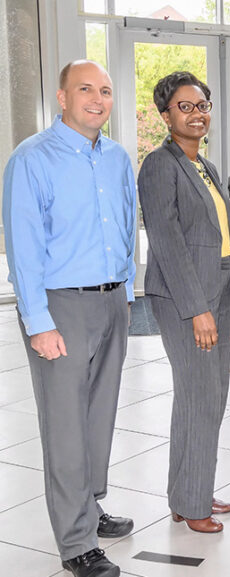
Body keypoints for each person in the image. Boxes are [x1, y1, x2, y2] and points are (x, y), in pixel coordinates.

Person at [2, 59, 135, 577]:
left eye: (104, 89)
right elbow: (24, 246)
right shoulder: (32, 158)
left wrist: (124, 290)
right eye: (85, 89)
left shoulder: (118, 158)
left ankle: (89, 506)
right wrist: (38, 322)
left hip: (112, 300)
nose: (97, 99)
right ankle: (77, 542)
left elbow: (125, 224)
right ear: (62, 97)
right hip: (60, 305)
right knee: (65, 425)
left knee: (97, 416)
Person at [137, 71, 230, 534]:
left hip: (217, 288)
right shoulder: (159, 165)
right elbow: (167, 241)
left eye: (202, 105)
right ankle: (192, 502)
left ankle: (189, 490)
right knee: (201, 396)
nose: (197, 113)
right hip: (186, 296)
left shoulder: (206, 165)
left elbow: (218, 236)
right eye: (185, 107)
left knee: (208, 397)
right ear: (166, 116)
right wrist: (198, 308)